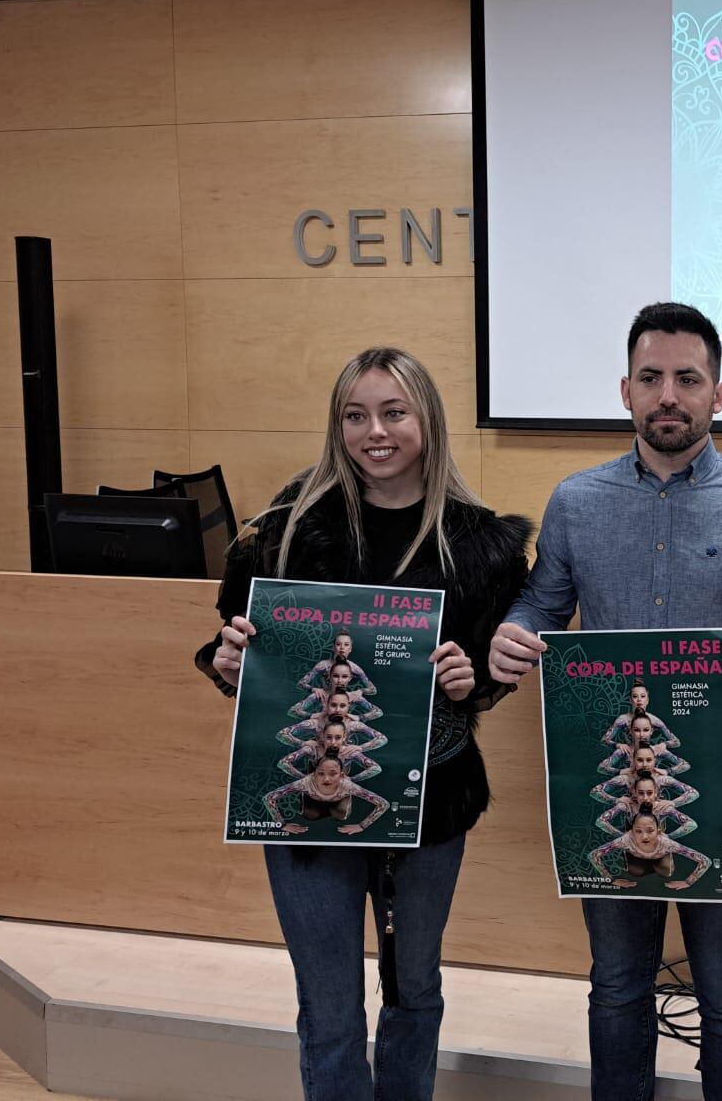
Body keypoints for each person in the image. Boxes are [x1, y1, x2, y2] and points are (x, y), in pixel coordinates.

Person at [489, 303, 722, 1101]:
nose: (668, 395)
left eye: (687, 379)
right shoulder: (575, 501)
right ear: (625, 391)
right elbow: (542, 605)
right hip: (607, 780)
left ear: (720, 394)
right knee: (618, 985)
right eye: (651, 378)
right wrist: (512, 631)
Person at [196, 346, 531, 1101]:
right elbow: (232, 646)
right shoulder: (282, 533)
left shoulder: (482, 545)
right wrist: (225, 662)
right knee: (329, 1002)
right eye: (355, 415)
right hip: (301, 806)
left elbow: (493, 673)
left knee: (415, 988)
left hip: (433, 797)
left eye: (393, 412)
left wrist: (471, 678)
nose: (373, 431)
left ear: (428, 421)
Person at [264, 749, 390, 836]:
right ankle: (308, 800)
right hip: (313, 799)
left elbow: (383, 804)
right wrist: (282, 825)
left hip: (339, 799)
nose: (326, 779)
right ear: (314, 774)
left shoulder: (348, 786)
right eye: (320, 774)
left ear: (341, 775)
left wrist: (362, 826)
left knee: (341, 815)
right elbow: (268, 798)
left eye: (333, 773)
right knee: (310, 815)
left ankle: (343, 800)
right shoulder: (305, 782)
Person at [588, 806, 712, 891]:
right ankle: (631, 859)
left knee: (666, 872)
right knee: (636, 872)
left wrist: (688, 882)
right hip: (636, 858)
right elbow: (593, 855)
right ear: (631, 831)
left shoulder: (666, 843)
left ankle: (664, 859)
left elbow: (705, 861)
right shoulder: (626, 839)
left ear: (658, 831)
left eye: (650, 831)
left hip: (660, 856)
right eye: (638, 831)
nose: (644, 836)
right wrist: (611, 880)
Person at [280, 714, 382, 781]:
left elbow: (376, 768)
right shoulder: (312, 749)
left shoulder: (349, 752)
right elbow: (283, 763)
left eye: (337, 738)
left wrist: (352, 779)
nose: (333, 742)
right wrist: (304, 778)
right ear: (323, 736)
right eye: (329, 737)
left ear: (344, 737)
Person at [590, 745, 700, 808]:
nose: (645, 764)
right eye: (640, 760)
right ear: (633, 761)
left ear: (654, 761)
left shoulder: (663, 779)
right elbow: (595, 792)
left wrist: (673, 802)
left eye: (648, 760)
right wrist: (615, 800)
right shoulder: (625, 779)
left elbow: (693, 793)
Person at [596, 772, 698, 840]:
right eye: (641, 793)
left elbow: (691, 824)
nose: (645, 798)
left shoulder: (663, 808)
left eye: (649, 793)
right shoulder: (627, 806)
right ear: (635, 793)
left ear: (656, 793)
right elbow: (600, 822)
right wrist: (622, 836)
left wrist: (668, 837)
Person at [277, 690, 386, 753]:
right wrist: (302, 743)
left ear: (348, 707)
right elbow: (281, 734)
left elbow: (382, 739)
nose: (338, 709)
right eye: (333, 705)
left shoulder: (353, 725)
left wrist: (360, 748)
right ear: (326, 705)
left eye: (342, 706)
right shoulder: (315, 723)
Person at [597, 713, 690, 776]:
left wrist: (667, 771)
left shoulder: (657, 751)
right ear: (631, 732)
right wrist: (620, 771)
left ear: (651, 731)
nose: (641, 735)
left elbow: (685, 765)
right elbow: (601, 768)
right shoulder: (623, 751)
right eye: (637, 730)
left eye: (646, 730)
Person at [601, 681, 679, 749]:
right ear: (630, 700)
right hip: (627, 758)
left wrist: (664, 744)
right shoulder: (623, 719)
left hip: (647, 757)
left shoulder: (654, 720)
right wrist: (618, 745)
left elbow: (676, 742)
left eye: (643, 696)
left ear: (647, 700)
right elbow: (604, 740)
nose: (639, 699)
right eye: (635, 696)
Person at [298, 632, 376, 695]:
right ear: (333, 647)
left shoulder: (354, 668)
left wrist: (360, 691)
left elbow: (373, 689)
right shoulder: (323, 665)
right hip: (322, 702)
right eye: (338, 644)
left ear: (350, 649)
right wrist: (314, 689)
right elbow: (301, 683)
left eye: (346, 644)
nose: (342, 647)